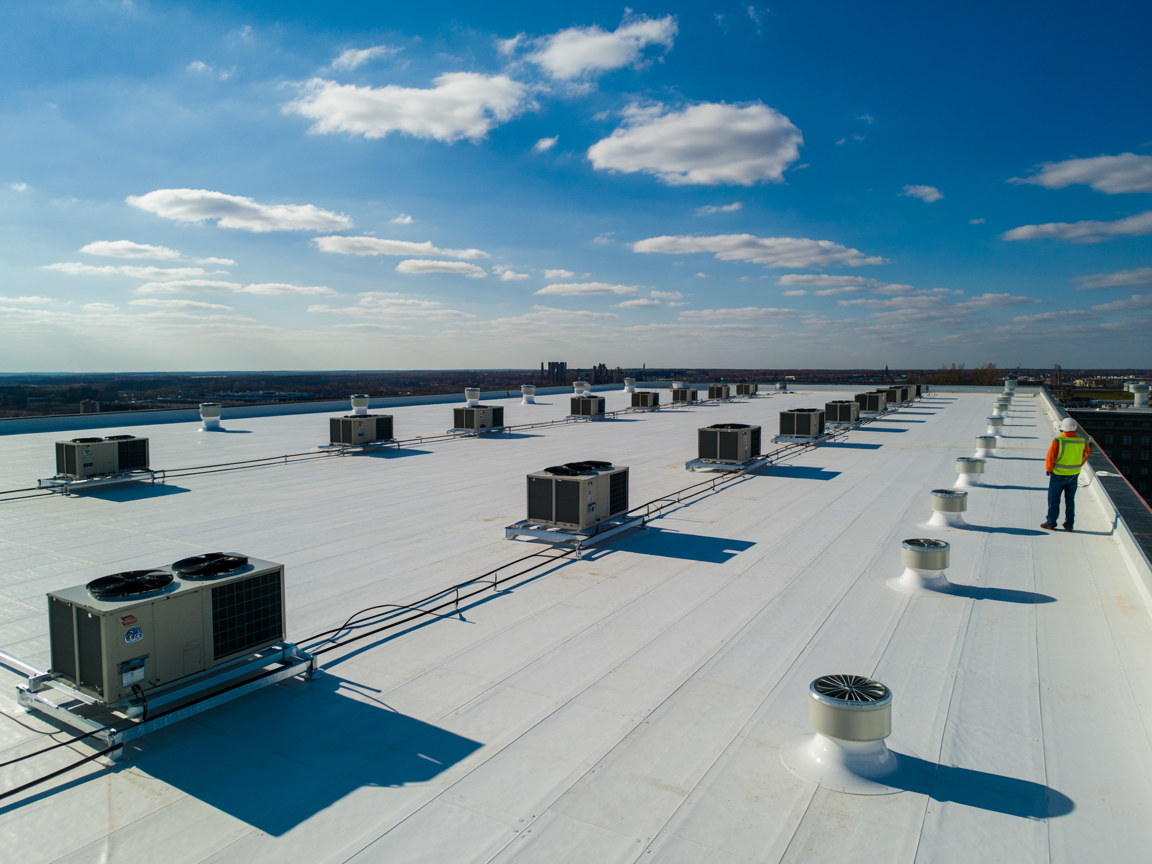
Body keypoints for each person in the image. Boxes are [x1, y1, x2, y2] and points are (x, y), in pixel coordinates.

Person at [1042, 417, 1090, 532]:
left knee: (1054, 500)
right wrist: (1077, 465)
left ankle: (1051, 522)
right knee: (1070, 501)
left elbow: (1051, 457)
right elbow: (1086, 454)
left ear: (1062, 428)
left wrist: (1049, 470)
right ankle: (1069, 525)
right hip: (1074, 475)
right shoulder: (1082, 441)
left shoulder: (1058, 441)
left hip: (1058, 475)